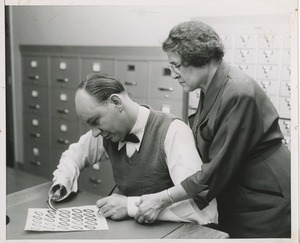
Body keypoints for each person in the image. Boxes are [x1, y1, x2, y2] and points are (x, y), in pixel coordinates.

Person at [135, 20, 291, 238]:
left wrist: (164, 197)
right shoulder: (210, 87)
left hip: (265, 199)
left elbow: (217, 168)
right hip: (240, 192)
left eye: (176, 65)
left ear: (200, 58)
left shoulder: (237, 92)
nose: (173, 75)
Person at [48, 72, 218, 224]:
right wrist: (63, 181)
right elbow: (74, 155)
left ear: (116, 102)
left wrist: (130, 207)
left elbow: (202, 207)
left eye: (96, 122)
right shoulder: (106, 132)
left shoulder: (173, 131)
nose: (94, 133)